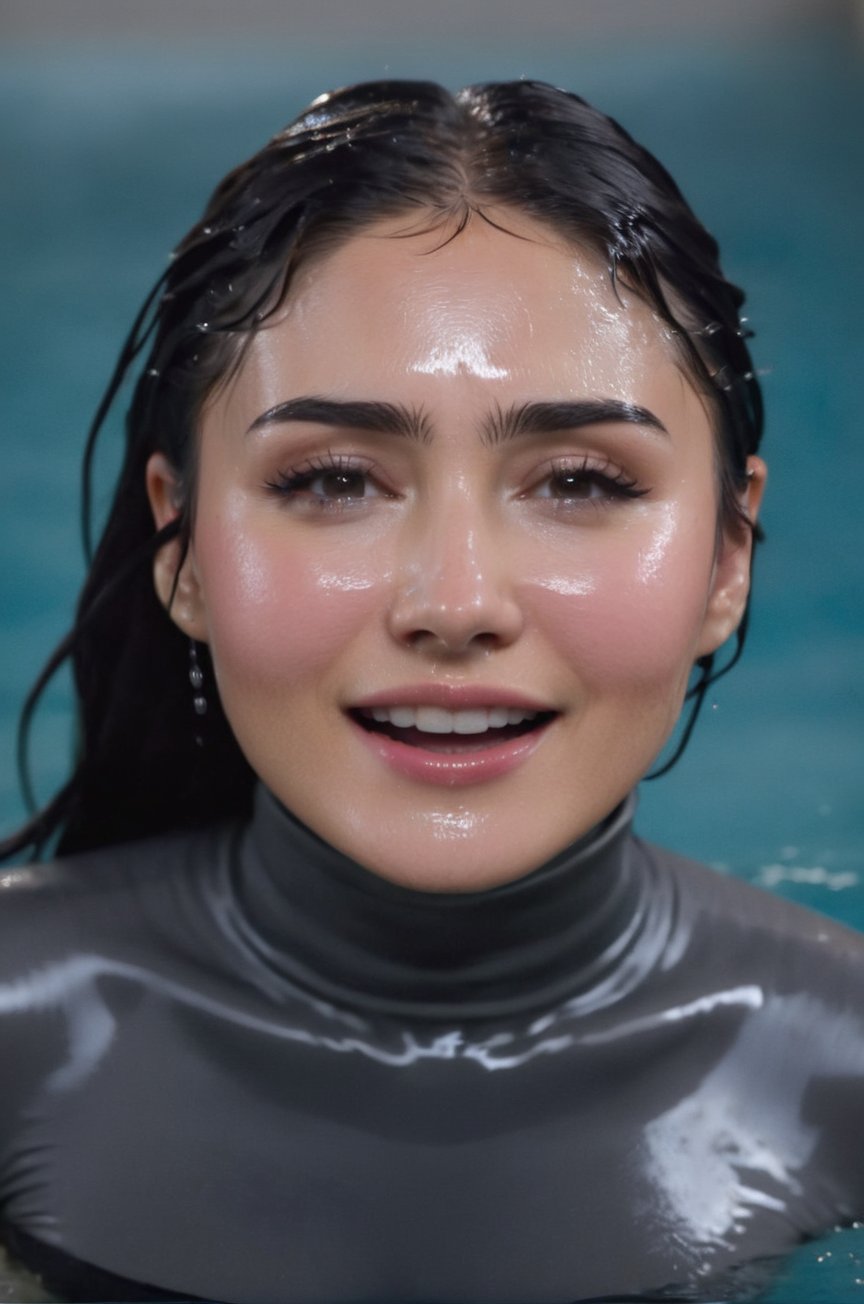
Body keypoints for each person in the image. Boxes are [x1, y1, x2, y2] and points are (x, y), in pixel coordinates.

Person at [0, 78, 862, 1304]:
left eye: (579, 481)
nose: (455, 602)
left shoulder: (845, 1073)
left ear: (728, 559)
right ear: (180, 550)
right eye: (335, 479)